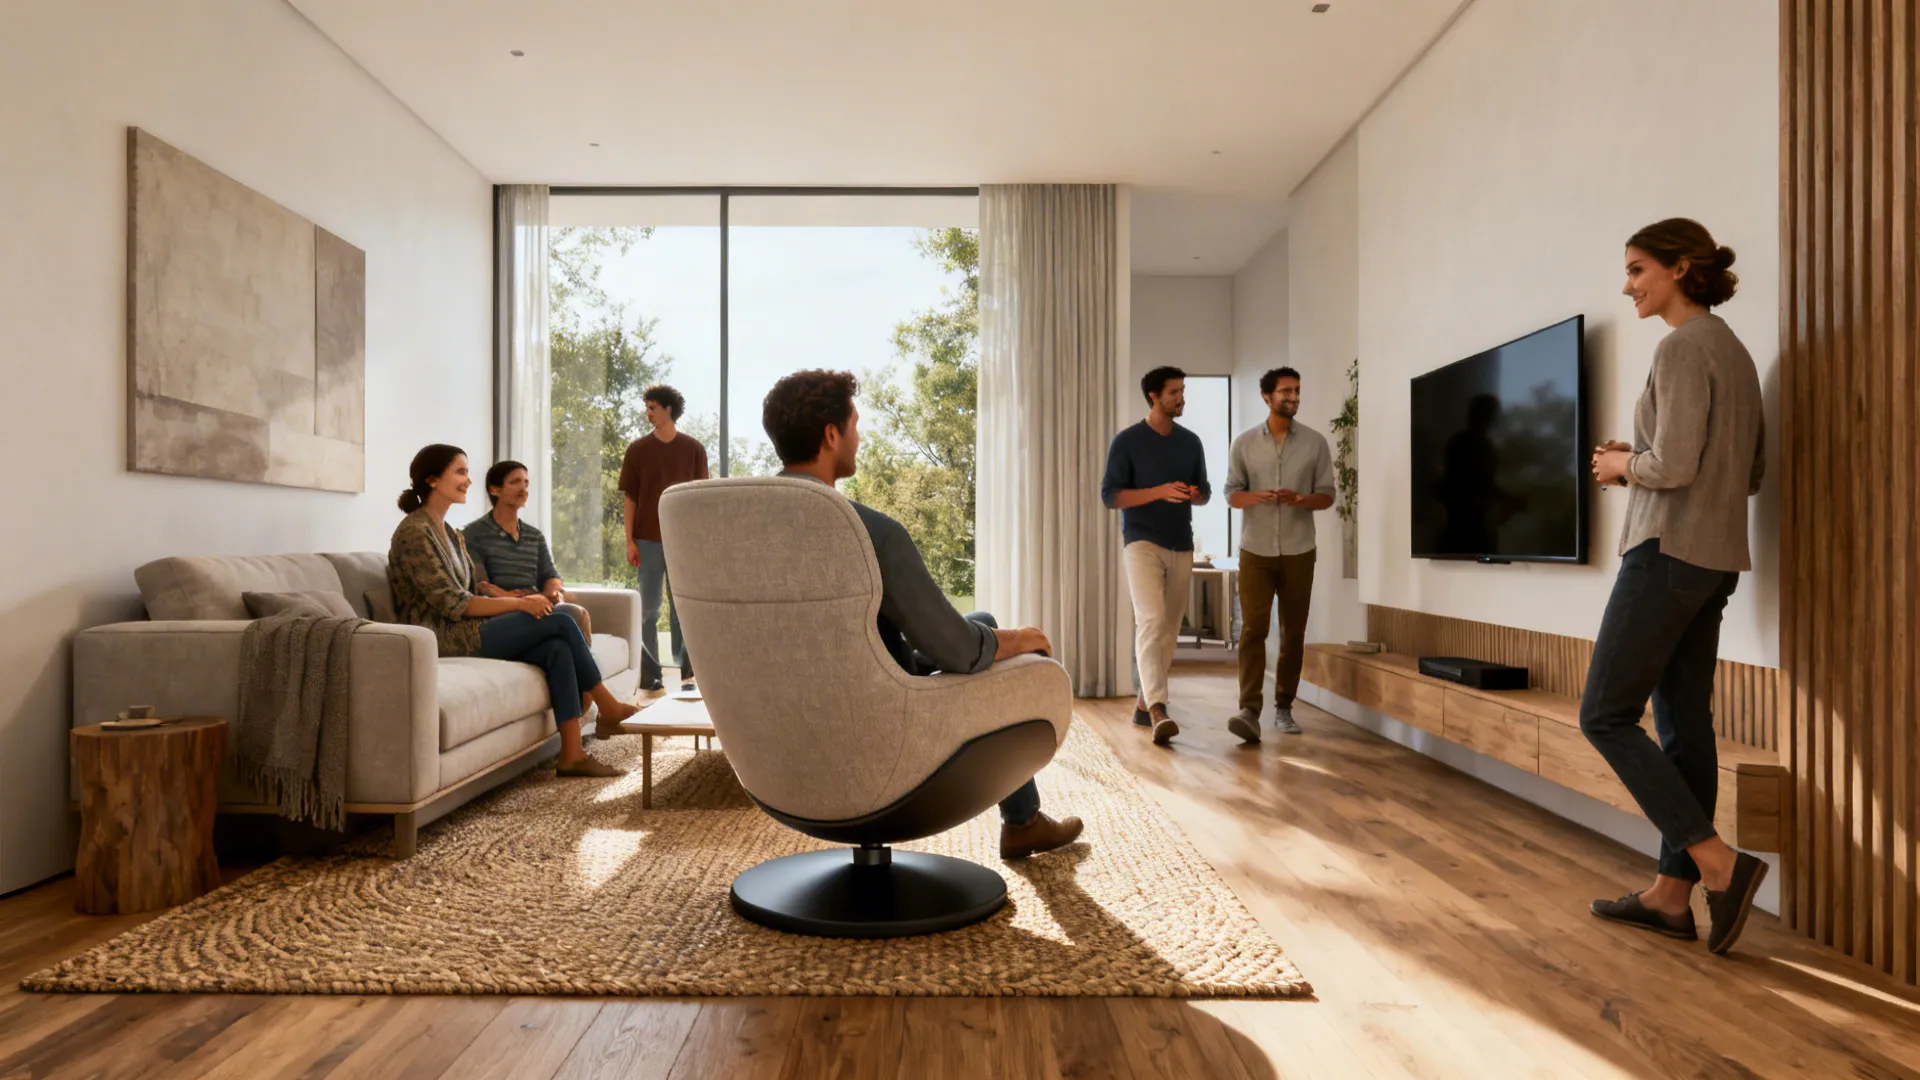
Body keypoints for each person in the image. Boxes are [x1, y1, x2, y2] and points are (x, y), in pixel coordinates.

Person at [763, 370, 1083, 859]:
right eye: (853, 423)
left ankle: (1024, 821)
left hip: (778, 740)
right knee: (992, 635)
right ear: (830, 434)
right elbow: (954, 650)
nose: (859, 435)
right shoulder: (868, 533)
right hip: (877, 728)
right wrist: (1019, 639)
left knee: (981, 620)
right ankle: (1023, 822)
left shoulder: (744, 531)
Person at [1583, 218, 1769, 955]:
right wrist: (1647, 454)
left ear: (1680, 268)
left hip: (1665, 552)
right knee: (1684, 725)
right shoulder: (1735, 353)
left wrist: (1623, 466)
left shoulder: (1682, 347)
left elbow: (1679, 468)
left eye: (1637, 270)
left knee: (1604, 714)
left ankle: (1718, 863)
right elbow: (1743, 473)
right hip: (1714, 557)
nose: (1628, 284)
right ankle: (1668, 896)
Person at [389, 444, 637, 777]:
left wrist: (524, 598)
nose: (467, 480)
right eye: (460, 472)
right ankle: (608, 706)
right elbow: (454, 602)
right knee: (562, 619)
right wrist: (520, 602)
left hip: (470, 626)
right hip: (445, 637)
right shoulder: (414, 533)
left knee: (557, 647)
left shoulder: (449, 533)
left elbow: (473, 588)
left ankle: (572, 755)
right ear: (433, 480)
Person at [1223, 367, 1337, 743]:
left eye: (1297, 391)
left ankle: (1284, 706)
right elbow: (1231, 494)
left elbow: (1327, 495)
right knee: (1253, 629)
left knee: (1293, 633)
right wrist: (1257, 496)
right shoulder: (1243, 444)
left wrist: (1301, 500)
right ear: (1267, 397)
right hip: (1254, 550)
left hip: (1300, 550)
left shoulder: (1316, 444)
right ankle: (1249, 710)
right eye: (1286, 391)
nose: (1293, 397)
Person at [1100, 366, 1211, 746]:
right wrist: (1159, 491)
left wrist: (1193, 493)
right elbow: (1111, 497)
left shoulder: (1191, 442)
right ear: (1153, 396)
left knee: (1169, 629)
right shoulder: (1127, 442)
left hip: (1181, 541)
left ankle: (1144, 706)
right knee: (1150, 620)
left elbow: (1206, 492)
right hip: (1141, 541)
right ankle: (1161, 708)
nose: (1181, 398)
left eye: (1183, 391)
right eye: (1174, 392)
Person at [618, 385, 710, 693]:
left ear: (669, 409)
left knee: (682, 608)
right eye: (646, 407)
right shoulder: (637, 450)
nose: (648, 412)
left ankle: (687, 674)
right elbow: (630, 498)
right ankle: (651, 675)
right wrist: (629, 539)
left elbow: (700, 499)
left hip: (684, 542)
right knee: (648, 610)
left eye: (653, 407)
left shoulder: (694, 449)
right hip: (647, 540)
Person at [462, 460, 591, 642]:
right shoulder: (473, 534)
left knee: (564, 621)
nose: (523, 489)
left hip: (537, 606)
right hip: (502, 613)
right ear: (494, 490)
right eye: (515, 482)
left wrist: (554, 592)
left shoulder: (534, 535)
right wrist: (521, 601)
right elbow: (482, 586)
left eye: (526, 483)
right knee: (571, 613)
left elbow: (550, 574)